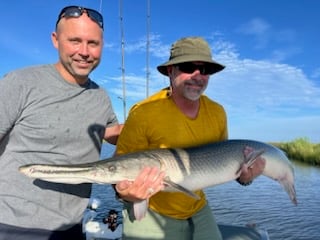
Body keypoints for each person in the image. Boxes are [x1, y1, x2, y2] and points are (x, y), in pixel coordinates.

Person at [114, 36, 266, 240]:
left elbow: (225, 166)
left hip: (197, 207)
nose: (198, 76)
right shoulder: (143, 113)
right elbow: (118, 170)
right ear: (171, 71)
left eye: (205, 70)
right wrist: (126, 194)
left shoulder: (217, 113)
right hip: (152, 211)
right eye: (188, 67)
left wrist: (246, 178)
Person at [0, 5, 123, 240]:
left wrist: (157, 118)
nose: (84, 52)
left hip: (71, 227)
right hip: (11, 225)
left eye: (93, 43)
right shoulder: (20, 82)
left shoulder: (101, 97)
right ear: (56, 40)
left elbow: (112, 133)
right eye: (75, 41)